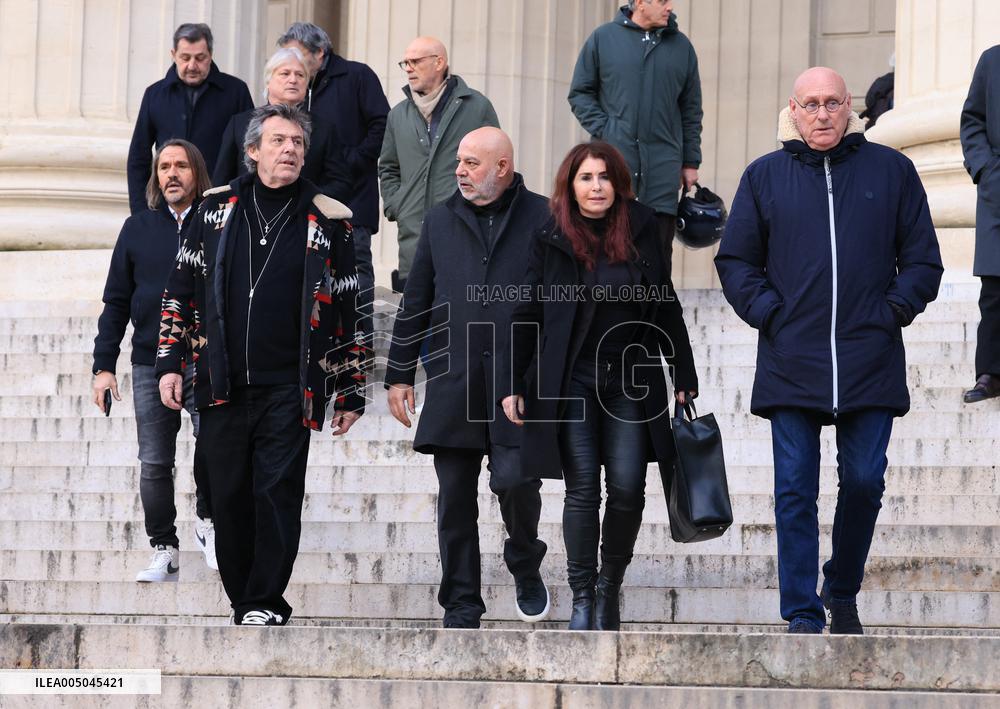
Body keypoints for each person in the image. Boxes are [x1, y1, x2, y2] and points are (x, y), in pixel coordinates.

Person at [715, 67, 943, 634]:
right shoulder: (763, 177)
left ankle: (841, 588)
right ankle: (800, 612)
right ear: (793, 110)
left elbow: (922, 260)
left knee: (865, 481)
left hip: (870, 359)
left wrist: (891, 312)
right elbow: (736, 261)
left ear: (851, 109)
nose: (822, 114)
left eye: (832, 104)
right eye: (811, 104)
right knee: (794, 490)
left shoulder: (892, 171)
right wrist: (770, 313)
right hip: (792, 359)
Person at [155, 103, 369, 626]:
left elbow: (348, 308)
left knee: (276, 495)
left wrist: (352, 388)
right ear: (253, 152)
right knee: (226, 494)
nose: (290, 150)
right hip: (220, 382)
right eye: (278, 141)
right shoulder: (214, 211)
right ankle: (241, 597)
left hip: (289, 389)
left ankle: (264, 601)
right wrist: (169, 362)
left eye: (297, 142)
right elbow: (179, 291)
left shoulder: (329, 219)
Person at [502, 141, 698, 631]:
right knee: (583, 489)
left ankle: (610, 584)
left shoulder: (644, 227)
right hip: (573, 377)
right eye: (586, 178)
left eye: (604, 178)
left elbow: (664, 300)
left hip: (632, 376)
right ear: (571, 185)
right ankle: (583, 594)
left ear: (619, 183)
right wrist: (513, 381)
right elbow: (527, 309)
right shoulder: (550, 232)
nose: (596, 187)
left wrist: (684, 370)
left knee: (629, 487)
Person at [384, 127, 551, 629]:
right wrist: (399, 373)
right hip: (454, 379)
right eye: (459, 161)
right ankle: (461, 603)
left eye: (472, 162)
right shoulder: (439, 219)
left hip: (516, 383)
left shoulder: (544, 217)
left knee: (517, 481)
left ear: (503, 167)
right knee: (454, 499)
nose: (460, 170)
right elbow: (416, 298)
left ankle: (524, 560)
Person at [92, 138, 217, 581]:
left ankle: (209, 521)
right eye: (164, 167)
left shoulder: (217, 223)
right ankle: (164, 547)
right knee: (154, 461)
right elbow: (116, 301)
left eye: (181, 166)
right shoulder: (137, 229)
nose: (171, 174)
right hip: (148, 358)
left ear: (196, 173)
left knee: (215, 444)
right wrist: (103, 366)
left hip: (204, 356)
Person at [568, 0, 703, 268]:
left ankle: (655, 311)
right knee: (608, 256)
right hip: (615, 167)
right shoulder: (603, 39)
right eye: (662, 1)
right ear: (640, 3)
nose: (670, 6)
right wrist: (608, 130)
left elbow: (691, 110)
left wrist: (690, 162)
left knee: (658, 260)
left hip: (663, 172)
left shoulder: (682, 47)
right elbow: (580, 93)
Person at [277, 22, 390, 318]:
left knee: (355, 273)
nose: (292, 64)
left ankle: (361, 347)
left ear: (320, 52)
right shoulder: (297, 89)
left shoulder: (357, 76)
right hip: (306, 203)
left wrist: (349, 160)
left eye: (298, 55)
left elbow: (382, 126)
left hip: (353, 200)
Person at [379, 36, 500, 292]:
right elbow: (388, 168)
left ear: (439, 62)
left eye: (415, 61)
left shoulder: (477, 108)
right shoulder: (397, 114)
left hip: (465, 237)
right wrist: (396, 204)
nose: (408, 67)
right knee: (414, 327)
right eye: (405, 63)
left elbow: (497, 166)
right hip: (412, 243)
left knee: (458, 326)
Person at [126, 23, 253, 215]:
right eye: (185, 58)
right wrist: (140, 212)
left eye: (200, 58)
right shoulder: (154, 94)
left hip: (220, 207)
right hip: (168, 206)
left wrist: (241, 205)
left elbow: (249, 153)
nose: (192, 65)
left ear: (210, 54)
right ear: (173, 54)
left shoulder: (236, 91)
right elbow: (138, 157)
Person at [212, 47, 353, 206]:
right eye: (285, 74)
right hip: (248, 214)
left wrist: (308, 198)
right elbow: (221, 181)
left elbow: (341, 184)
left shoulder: (324, 129)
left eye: (300, 75)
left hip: (302, 217)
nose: (293, 80)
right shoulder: (239, 124)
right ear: (268, 81)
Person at [960, 46, 1000, 403]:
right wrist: (986, 169)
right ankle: (990, 373)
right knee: (995, 291)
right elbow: (972, 120)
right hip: (999, 190)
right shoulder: (992, 60)